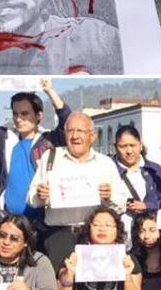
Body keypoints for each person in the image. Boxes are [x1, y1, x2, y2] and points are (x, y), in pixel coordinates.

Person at [26, 112, 129, 271]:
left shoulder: (105, 163)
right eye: (70, 131)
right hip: (58, 236)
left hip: (94, 237)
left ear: (92, 136)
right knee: (62, 288)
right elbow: (31, 199)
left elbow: (122, 204)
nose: (74, 136)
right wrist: (40, 196)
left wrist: (109, 196)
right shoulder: (51, 157)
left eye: (80, 131)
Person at [0, 78, 70, 218]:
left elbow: (67, 121)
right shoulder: (3, 140)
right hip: (10, 222)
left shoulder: (50, 141)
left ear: (39, 116)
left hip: (45, 222)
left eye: (24, 114)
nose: (18, 119)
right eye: (15, 114)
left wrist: (50, 91)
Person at [113, 124, 161, 219]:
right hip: (118, 229)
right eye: (123, 146)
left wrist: (147, 206)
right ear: (116, 147)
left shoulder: (154, 170)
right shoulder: (108, 169)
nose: (129, 151)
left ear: (140, 145)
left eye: (133, 145)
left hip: (147, 230)